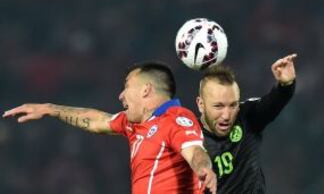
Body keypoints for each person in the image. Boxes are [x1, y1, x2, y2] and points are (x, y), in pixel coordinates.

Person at [3, 62, 217, 194]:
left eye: (126, 86)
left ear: (146, 90)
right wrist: (50, 109)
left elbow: (195, 151)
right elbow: (97, 120)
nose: (120, 95)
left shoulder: (176, 118)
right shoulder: (135, 124)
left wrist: (203, 169)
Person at [196, 54, 297, 194]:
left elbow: (272, 103)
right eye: (218, 106)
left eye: (232, 105)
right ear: (201, 104)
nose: (226, 115)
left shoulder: (247, 116)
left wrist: (286, 86)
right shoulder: (188, 137)